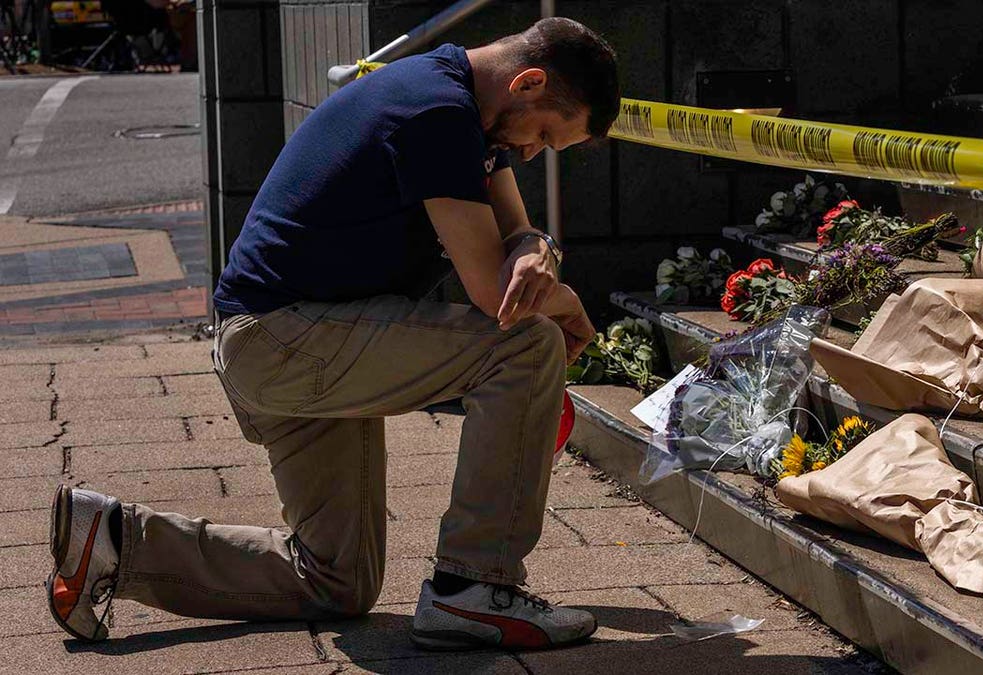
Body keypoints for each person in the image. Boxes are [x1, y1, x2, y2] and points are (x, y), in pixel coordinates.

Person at [46, 17, 619, 651]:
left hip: (291, 337)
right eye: (542, 133)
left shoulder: (464, 105)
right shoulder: (436, 112)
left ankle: (114, 539)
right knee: (526, 346)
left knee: (335, 581)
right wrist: (560, 299)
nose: (533, 152)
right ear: (529, 81)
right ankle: (475, 589)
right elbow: (495, 295)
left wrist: (540, 250)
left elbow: (520, 234)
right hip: (286, 340)